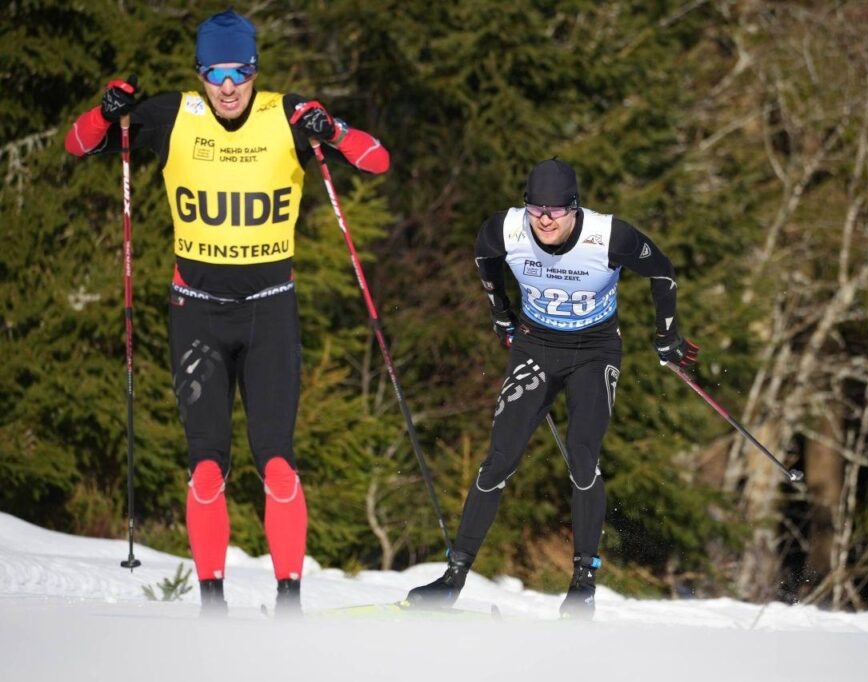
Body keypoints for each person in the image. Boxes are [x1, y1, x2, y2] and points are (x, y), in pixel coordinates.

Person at [64, 10, 390, 616]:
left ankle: (288, 603)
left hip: (269, 313)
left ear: (255, 69)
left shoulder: (285, 114)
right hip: (198, 315)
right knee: (207, 464)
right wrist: (105, 113)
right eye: (216, 72)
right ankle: (212, 607)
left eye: (240, 70)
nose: (229, 84)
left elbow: (376, 160)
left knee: (278, 462)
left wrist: (333, 128)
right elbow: (78, 143)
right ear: (200, 73)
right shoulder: (171, 115)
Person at [406, 159, 698, 619]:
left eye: (556, 210)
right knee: (499, 457)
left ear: (574, 208)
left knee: (583, 456)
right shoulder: (506, 229)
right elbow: (484, 258)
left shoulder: (610, 237)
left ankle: (583, 584)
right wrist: (500, 311)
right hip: (535, 347)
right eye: (536, 207)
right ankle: (454, 577)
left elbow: (662, 272)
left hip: (594, 351)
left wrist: (667, 335)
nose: (544, 218)